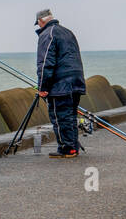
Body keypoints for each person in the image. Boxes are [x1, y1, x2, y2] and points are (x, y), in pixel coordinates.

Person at [34, 8, 87, 158]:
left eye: (38, 24)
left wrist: (43, 87)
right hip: (76, 80)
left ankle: (67, 148)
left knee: (60, 116)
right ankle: (73, 146)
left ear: (41, 21)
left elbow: (45, 63)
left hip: (60, 84)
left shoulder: (47, 34)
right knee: (70, 116)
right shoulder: (68, 32)